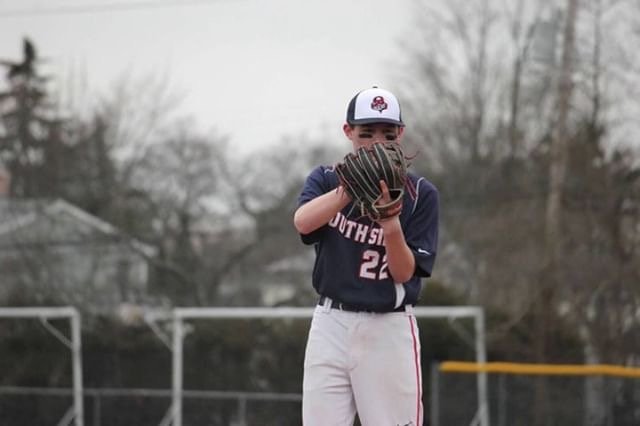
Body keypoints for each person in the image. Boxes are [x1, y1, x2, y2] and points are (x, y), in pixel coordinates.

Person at [293, 86, 439, 426]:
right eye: (366, 133)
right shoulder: (327, 179)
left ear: (400, 134)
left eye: (388, 134)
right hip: (330, 323)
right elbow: (302, 222)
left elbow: (403, 273)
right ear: (348, 131)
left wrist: (390, 224)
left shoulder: (420, 194)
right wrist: (349, 188)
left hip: (388, 327)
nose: (377, 143)